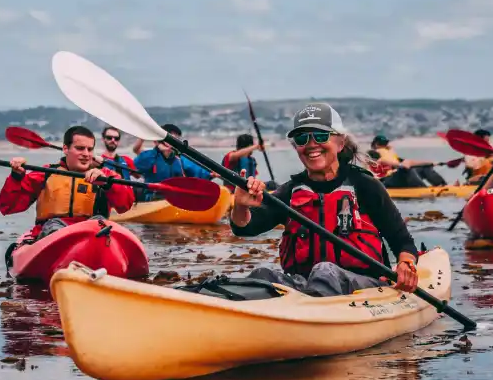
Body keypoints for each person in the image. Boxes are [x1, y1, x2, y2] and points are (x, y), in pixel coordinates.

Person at [229, 103, 420, 298]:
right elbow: (245, 227)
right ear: (296, 147)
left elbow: (403, 241)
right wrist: (241, 205)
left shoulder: (365, 185)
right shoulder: (290, 192)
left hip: (364, 287)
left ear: (340, 142)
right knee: (262, 275)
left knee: (325, 271)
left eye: (321, 136)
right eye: (302, 138)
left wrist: (405, 264)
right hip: (306, 287)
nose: (311, 144)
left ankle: (308, 315)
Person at [0, 125, 135, 239]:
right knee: (55, 225)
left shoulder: (105, 176)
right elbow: (8, 207)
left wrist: (107, 183)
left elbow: (126, 205)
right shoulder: (45, 174)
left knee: (99, 221)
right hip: (55, 232)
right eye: (80, 148)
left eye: (90, 149)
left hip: (91, 233)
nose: (86, 154)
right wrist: (16, 177)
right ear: (65, 149)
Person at [133, 123, 214, 200]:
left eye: (176, 140)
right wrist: (158, 146)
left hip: (176, 198)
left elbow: (197, 171)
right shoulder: (150, 156)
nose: (174, 143)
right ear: (161, 140)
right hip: (153, 197)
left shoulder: (180, 158)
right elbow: (136, 165)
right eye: (171, 139)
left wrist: (211, 174)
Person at [369, 134, 447, 189]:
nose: (384, 146)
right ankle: (424, 189)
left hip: (397, 175)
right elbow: (379, 162)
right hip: (387, 182)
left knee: (424, 168)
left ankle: (442, 185)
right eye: (382, 144)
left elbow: (409, 162)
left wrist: (431, 163)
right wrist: (402, 165)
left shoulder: (390, 154)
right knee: (407, 169)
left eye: (385, 143)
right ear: (376, 144)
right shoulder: (373, 154)